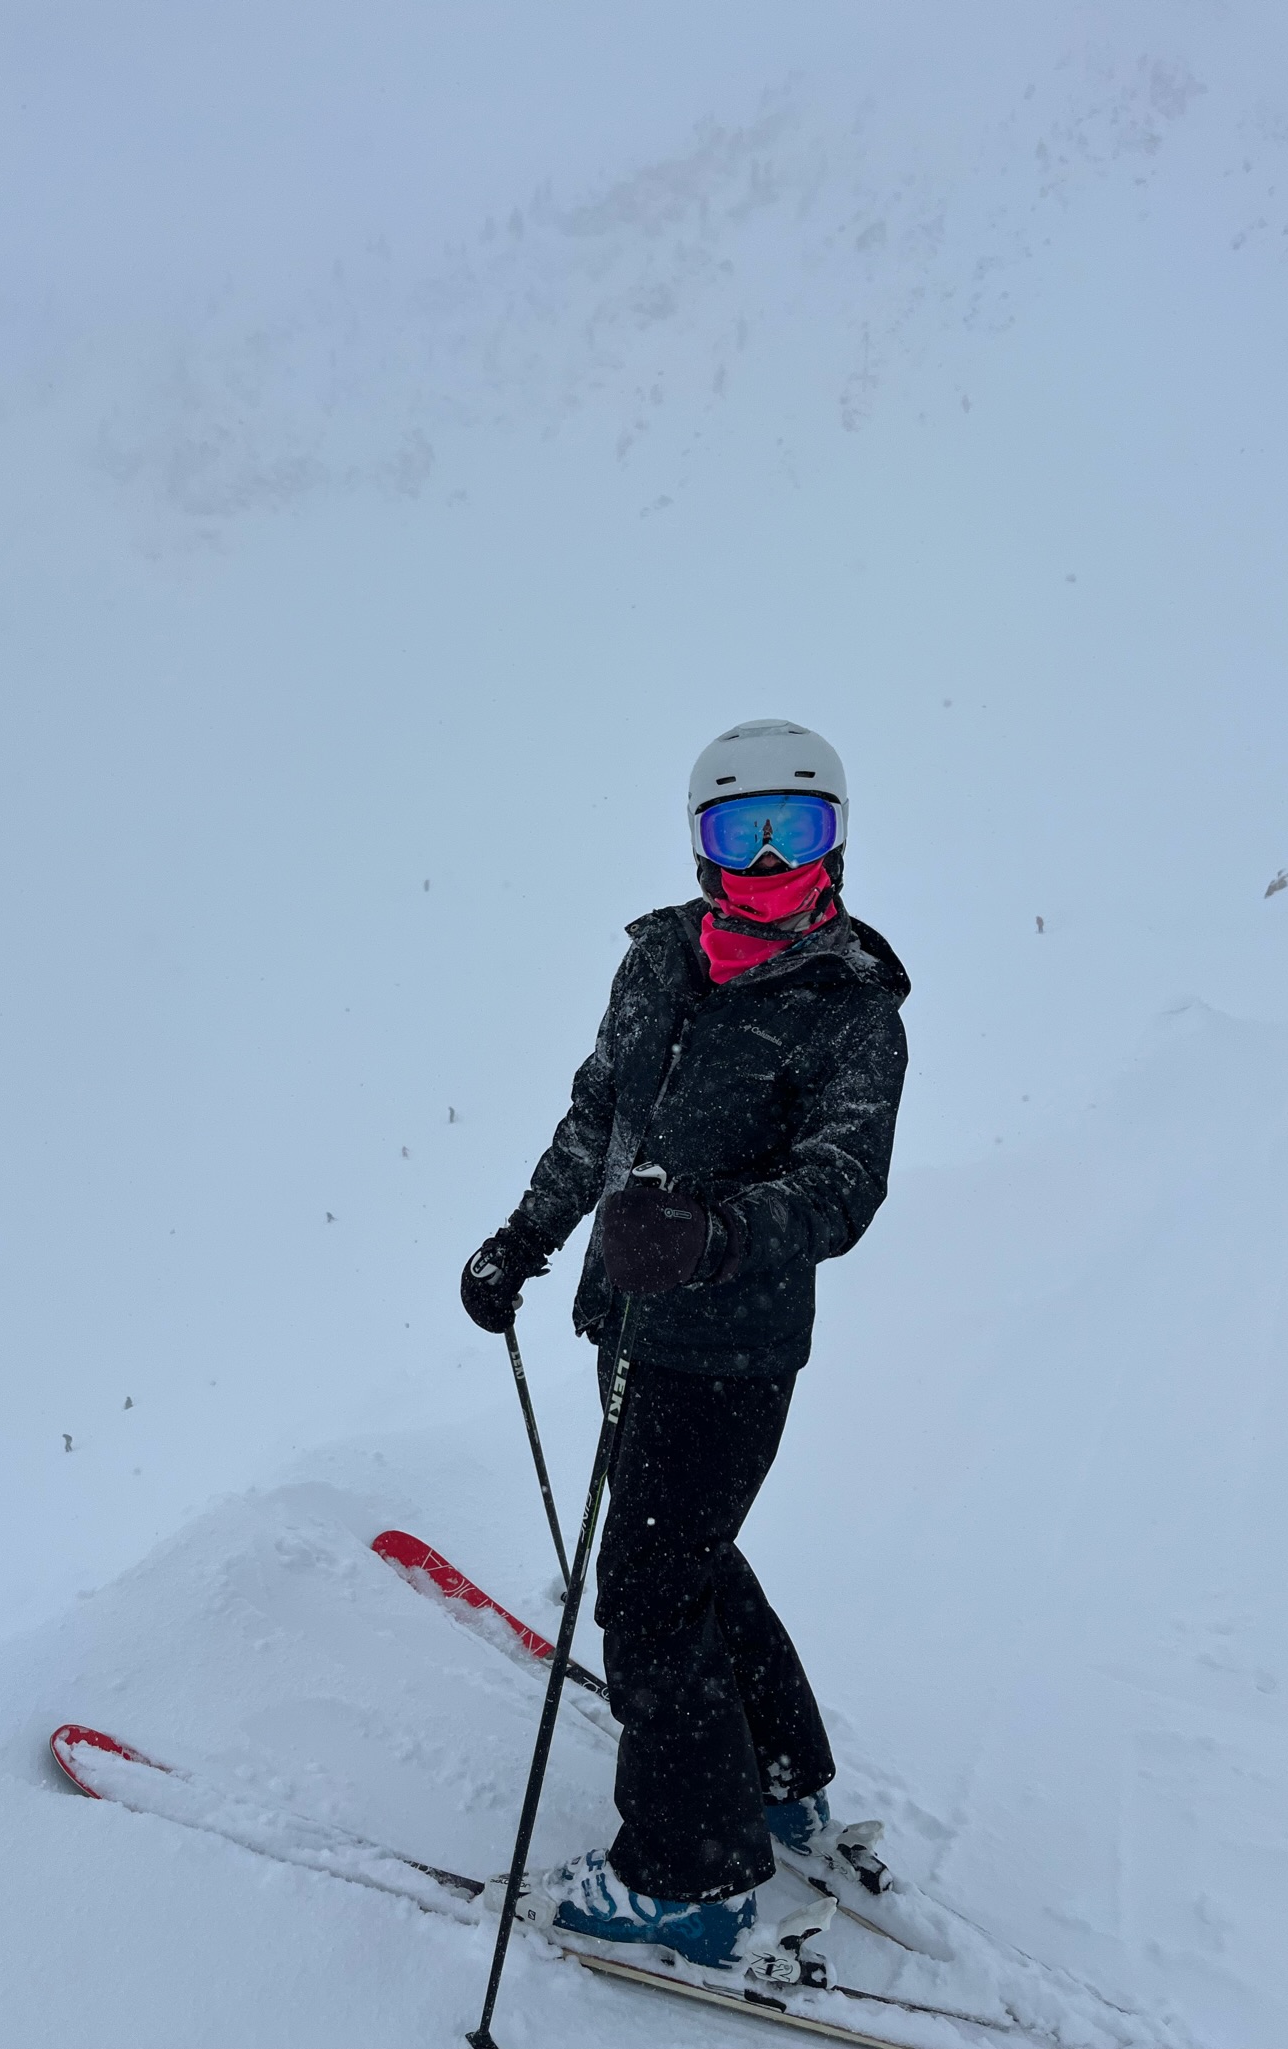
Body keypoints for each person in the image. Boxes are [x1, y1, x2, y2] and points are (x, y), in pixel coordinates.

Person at [460, 718, 910, 1970]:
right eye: (740, 830)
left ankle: (689, 1882)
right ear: (701, 843)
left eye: (796, 829)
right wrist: (526, 1238)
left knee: (651, 1595)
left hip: (736, 1346)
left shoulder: (852, 1006)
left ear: (834, 837)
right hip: (630, 1324)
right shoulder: (660, 956)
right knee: (686, 1553)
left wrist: (709, 1240)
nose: (769, 857)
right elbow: (600, 1106)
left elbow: (840, 1187)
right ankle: (780, 1780)